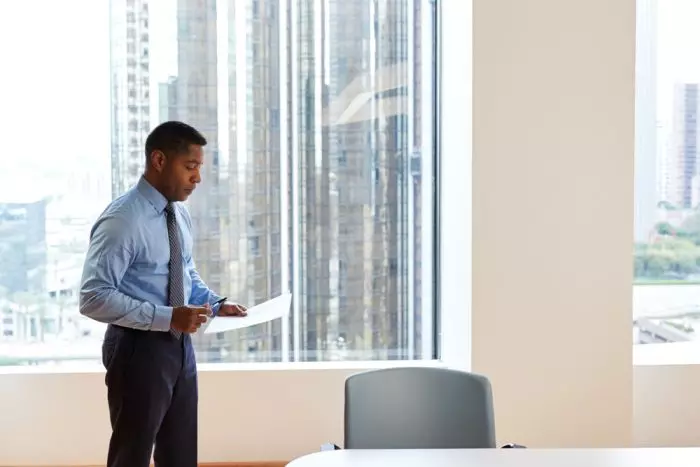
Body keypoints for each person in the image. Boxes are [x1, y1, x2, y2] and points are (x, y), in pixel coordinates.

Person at [79, 121, 247, 467]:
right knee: (132, 455)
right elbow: (93, 296)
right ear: (158, 160)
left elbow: (184, 273)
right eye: (190, 167)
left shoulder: (178, 214)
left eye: (199, 168)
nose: (197, 178)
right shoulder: (123, 221)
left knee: (181, 454)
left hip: (180, 348)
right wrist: (168, 317)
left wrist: (215, 304)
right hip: (136, 349)